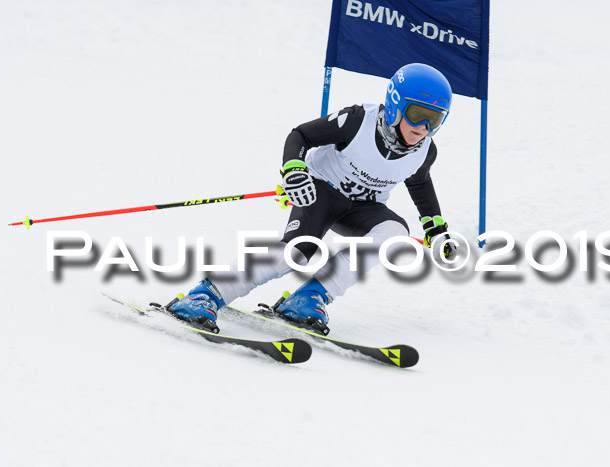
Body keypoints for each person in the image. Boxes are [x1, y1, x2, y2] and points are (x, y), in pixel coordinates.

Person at [167, 63, 459, 334]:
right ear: (396, 104)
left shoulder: (425, 151)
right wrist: (294, 170)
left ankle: (309, 297)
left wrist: (436, 229)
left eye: (434, 120)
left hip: (363, 207)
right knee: (296, 252)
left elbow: (420, 183)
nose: (423, 128)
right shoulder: (357, 121)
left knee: (395, 233)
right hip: (320, 190)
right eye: (416, 114)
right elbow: (301, 135)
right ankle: (207, 294)